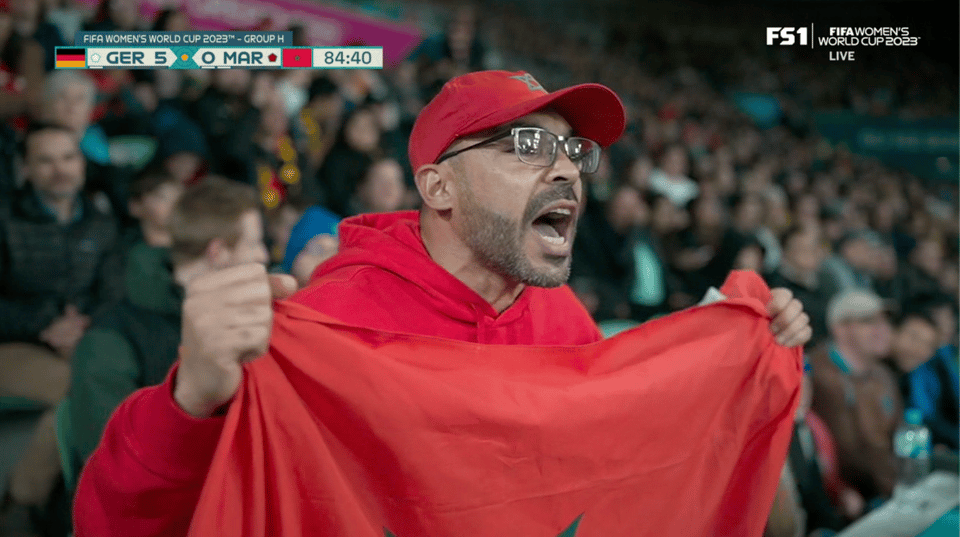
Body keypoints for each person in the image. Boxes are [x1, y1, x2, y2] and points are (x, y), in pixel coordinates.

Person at [74, 70, 812, 536]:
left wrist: (742, 349)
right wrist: (191, 400)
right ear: (438, 188)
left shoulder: (565, 322)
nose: (566, 168)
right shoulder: (321, 329)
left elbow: (626, 474)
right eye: (527, 144)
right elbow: (109, 523)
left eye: (573, 151)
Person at [68, 175, 264, 478]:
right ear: (218, 253)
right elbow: (113, 469)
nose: (263, 256)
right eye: (254, 244)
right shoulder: (109, 340)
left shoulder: (241, 319)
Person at [0, 121, 121, 515]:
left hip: (83, 339)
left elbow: (112, 292)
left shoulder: (101, 222)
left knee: (118, 383)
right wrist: (46, 323)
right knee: (85, 392)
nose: (60, 169)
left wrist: (84, 324)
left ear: (82, 163)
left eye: (68, 157)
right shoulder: (4, 219)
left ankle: (84, 502)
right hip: (15, 345)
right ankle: (23, 504)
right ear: (27, 169)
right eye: (45, 160)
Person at [809, 288, 900, 503]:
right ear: (839, 329)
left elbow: (899, 434)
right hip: (851, 503)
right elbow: (851, 457)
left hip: (891, 491)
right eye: (869, 321)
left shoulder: (883, 374)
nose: (883, 329)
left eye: (884, 321)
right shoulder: (819, 376)